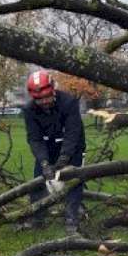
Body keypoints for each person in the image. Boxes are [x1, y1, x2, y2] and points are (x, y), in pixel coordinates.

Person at [22, 69, 87, 235]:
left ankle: (72, 218)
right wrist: (44, 162)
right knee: (38, 179)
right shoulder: (29, 110)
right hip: (47, 145)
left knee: (73, 178)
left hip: (72, 145)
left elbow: (73, 132)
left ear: (53, 90)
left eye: (46, 97)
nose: (44, 102)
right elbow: (35, 138)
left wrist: (65, 157)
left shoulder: (69, 103)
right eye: (39, 100)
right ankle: (37, 216)